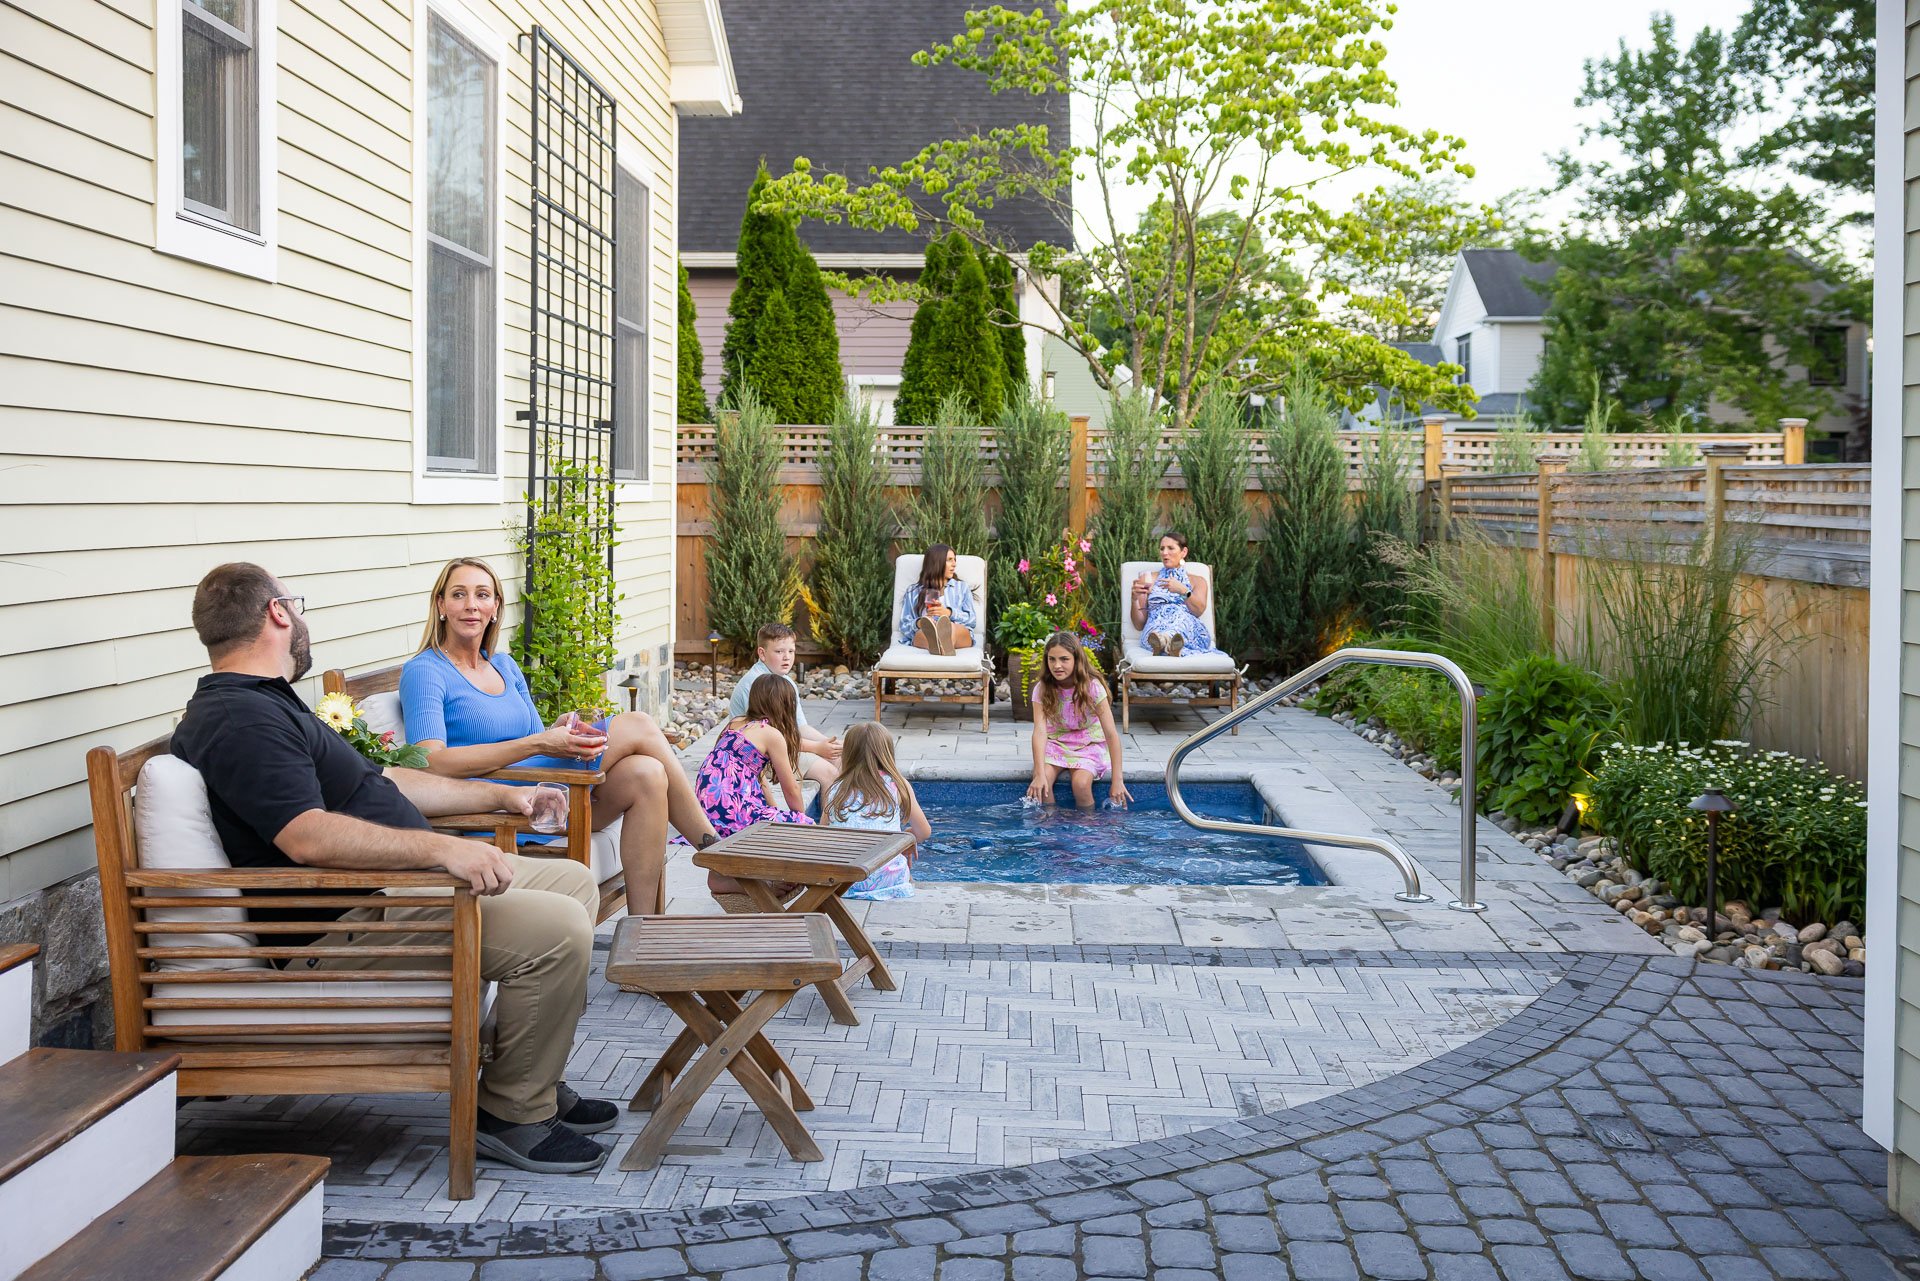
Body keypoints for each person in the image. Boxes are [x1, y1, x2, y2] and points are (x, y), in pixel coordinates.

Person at [170, 563, 616, 1176]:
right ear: (277, 613)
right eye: (295, 604)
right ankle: (513, 1113)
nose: (302, 619)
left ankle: (527, 1073)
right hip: (345, 925)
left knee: (572, 879)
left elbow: (384, 779)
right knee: (559, 928)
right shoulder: (239, 721)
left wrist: (503, 798)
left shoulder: (270, 705)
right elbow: (305, 836)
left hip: (385, 896)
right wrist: (442, 850)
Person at [397, 557, 718, 918]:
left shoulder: (503, 665)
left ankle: (643, 929)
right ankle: (717, 858)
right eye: (459, 594)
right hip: (499, 804)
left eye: (482, 595)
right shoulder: (425, 670)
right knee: (639, 724)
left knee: (647, 773)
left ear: (495, 607)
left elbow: (536, 736)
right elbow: (430, 763)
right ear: (441, 605)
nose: (471, 604)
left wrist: (556, 730)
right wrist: (538, 744)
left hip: (548, 792)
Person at [819, 721, 930, 901]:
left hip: (842, 882)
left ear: (848, 754)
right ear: (886, 753)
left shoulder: (836, 789)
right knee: (900, 864)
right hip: (889, 881)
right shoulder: (898, 785)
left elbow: (823, 835)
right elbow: (924, 832)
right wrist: (905, 838)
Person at [1027, 631, 1133, 810]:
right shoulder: (1043, 689)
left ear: (1077, 659)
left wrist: (1117, 780)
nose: (1057, 665)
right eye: (1051, 659)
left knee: (1081, 785)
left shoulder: (1093, 688)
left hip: (1088, 745)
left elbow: (1111, 734)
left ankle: (1085, 830)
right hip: (1057, 743)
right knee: (1043, 785)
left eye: (1064, 659)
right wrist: (1038, 773)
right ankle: (1048, 828)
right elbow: (1040, 731)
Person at [727, 622, 843, 786]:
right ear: (762, 653)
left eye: (791, 651)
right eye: (779, 651)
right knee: (828, 772)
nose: (787, 657)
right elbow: (770, 740)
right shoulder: (756, 684)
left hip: (779, 747)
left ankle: (844, 811)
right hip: (757, 757)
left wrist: (830, 743)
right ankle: (823, 813)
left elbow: (801, 727)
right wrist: (817, 747)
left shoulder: (786, 681)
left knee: (838, 757)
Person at [1130, 531, 1214, 656]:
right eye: (1162, 548)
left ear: (1183, 552)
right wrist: (1134, 600)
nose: (1164, 553)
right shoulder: (1148, 579)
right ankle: (1168, 644)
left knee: (1181, 621)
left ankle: (1166, 643)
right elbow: (1139, 624)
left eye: (1170, 548)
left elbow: (1198, 611)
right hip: (1155, 629)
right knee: (1155, 635)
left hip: (1187, 627)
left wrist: (1183, 591)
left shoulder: (1198, 581)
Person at [898, 543, 978, 656]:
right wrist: (921, 623)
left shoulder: (961, 588)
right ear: (936, 562)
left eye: (954, 560)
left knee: (948, 627)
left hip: (958, 633)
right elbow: (904, 625)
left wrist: (949, 613)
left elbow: (972, 620)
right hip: (926, 634)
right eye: (949, 560)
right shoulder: (913, 591)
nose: (954, 564)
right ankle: (940, 646)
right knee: (923, 633)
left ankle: (943, 644)